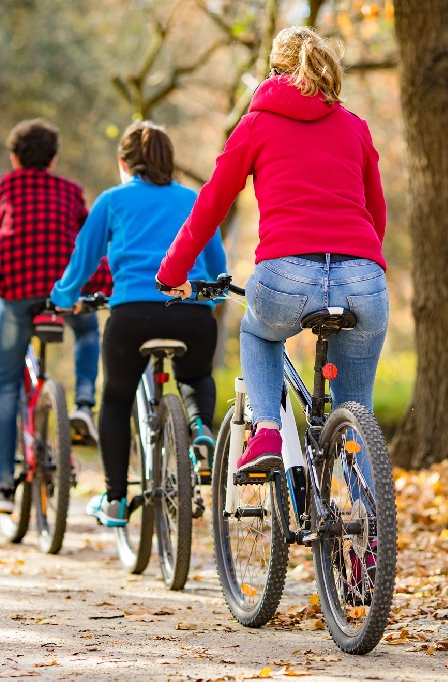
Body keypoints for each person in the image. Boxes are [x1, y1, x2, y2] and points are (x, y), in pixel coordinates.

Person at [156, 26, 389, 474]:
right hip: (363, 278)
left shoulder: (256, 124)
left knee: (258, 333)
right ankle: (370, 531)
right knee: (358, 413)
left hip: (285, 277)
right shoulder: (355, 127)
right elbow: (375, 212)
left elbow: (211, 205)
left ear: (275, 71)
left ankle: (266, 431)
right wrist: (358, 267)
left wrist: (173, 271)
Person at [51, 121, 227, 527]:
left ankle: (114, 499)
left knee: (114, 398)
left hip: (131, 316)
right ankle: (200, 428)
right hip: (190, 315)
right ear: (170, 161)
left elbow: (81, 264)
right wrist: (211, 297)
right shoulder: (192, 199)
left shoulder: (111, 201)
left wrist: (62, 299)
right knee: (198, 374)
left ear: (123, 163)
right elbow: (217, 272)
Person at [0, 118, 111, 514]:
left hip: (16, 294)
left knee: (5, 384)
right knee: (87, 332)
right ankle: (84, 399)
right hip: (65, 293)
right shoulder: (69, 191)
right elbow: (88, 245)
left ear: (14, 157)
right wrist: (99, 287)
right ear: (52, 160)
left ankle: (2, 487)